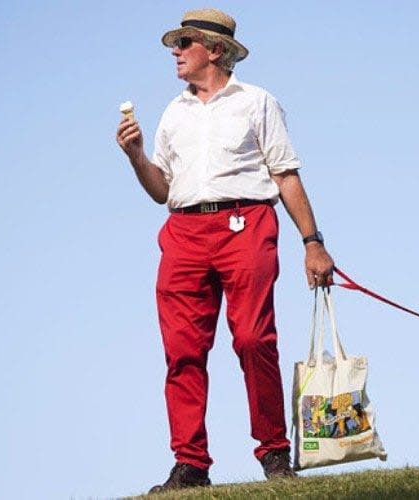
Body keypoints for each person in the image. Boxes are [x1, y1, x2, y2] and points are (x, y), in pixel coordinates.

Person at [115, 8, 334, 492]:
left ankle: (274, 453)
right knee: (182, 352)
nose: (175, 51)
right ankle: (190, 465)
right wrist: (135, 157)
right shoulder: (174, 111)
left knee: (255, 340)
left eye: (184, 42)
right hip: (183, 232)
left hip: (247, 225)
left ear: (214, 50)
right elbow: (161, 188)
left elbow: (285, 175)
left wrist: (313, 243)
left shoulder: (257, 102)